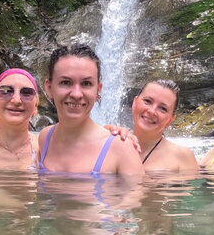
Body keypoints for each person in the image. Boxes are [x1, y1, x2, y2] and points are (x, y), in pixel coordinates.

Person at [38, 44, 144, 177]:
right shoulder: (45, 138)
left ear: (98, 89)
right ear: (49, 87)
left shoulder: (121, 148)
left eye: (86, 84)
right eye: (65, 82)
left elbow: (138, 197)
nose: (76, 94)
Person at [129, 80, 200, 175]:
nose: (152, 111)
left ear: (170, 120)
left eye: (163, 108)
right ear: (134, 103)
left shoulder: (182, 156)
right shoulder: (113, 144)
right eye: (147, 101)